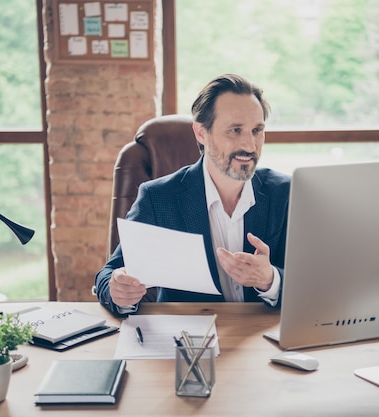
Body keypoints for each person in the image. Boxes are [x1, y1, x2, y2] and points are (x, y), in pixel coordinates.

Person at [94, 74, 291, 315]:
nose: (249, 145)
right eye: (235, 130)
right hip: (187, 342)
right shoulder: (158, 198)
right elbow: (109, 273)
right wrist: (119, 290)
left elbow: (316, 280)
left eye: (256, 130)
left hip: (263, 341)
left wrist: (270, 280)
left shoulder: (286, 194)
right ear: (201, 133)